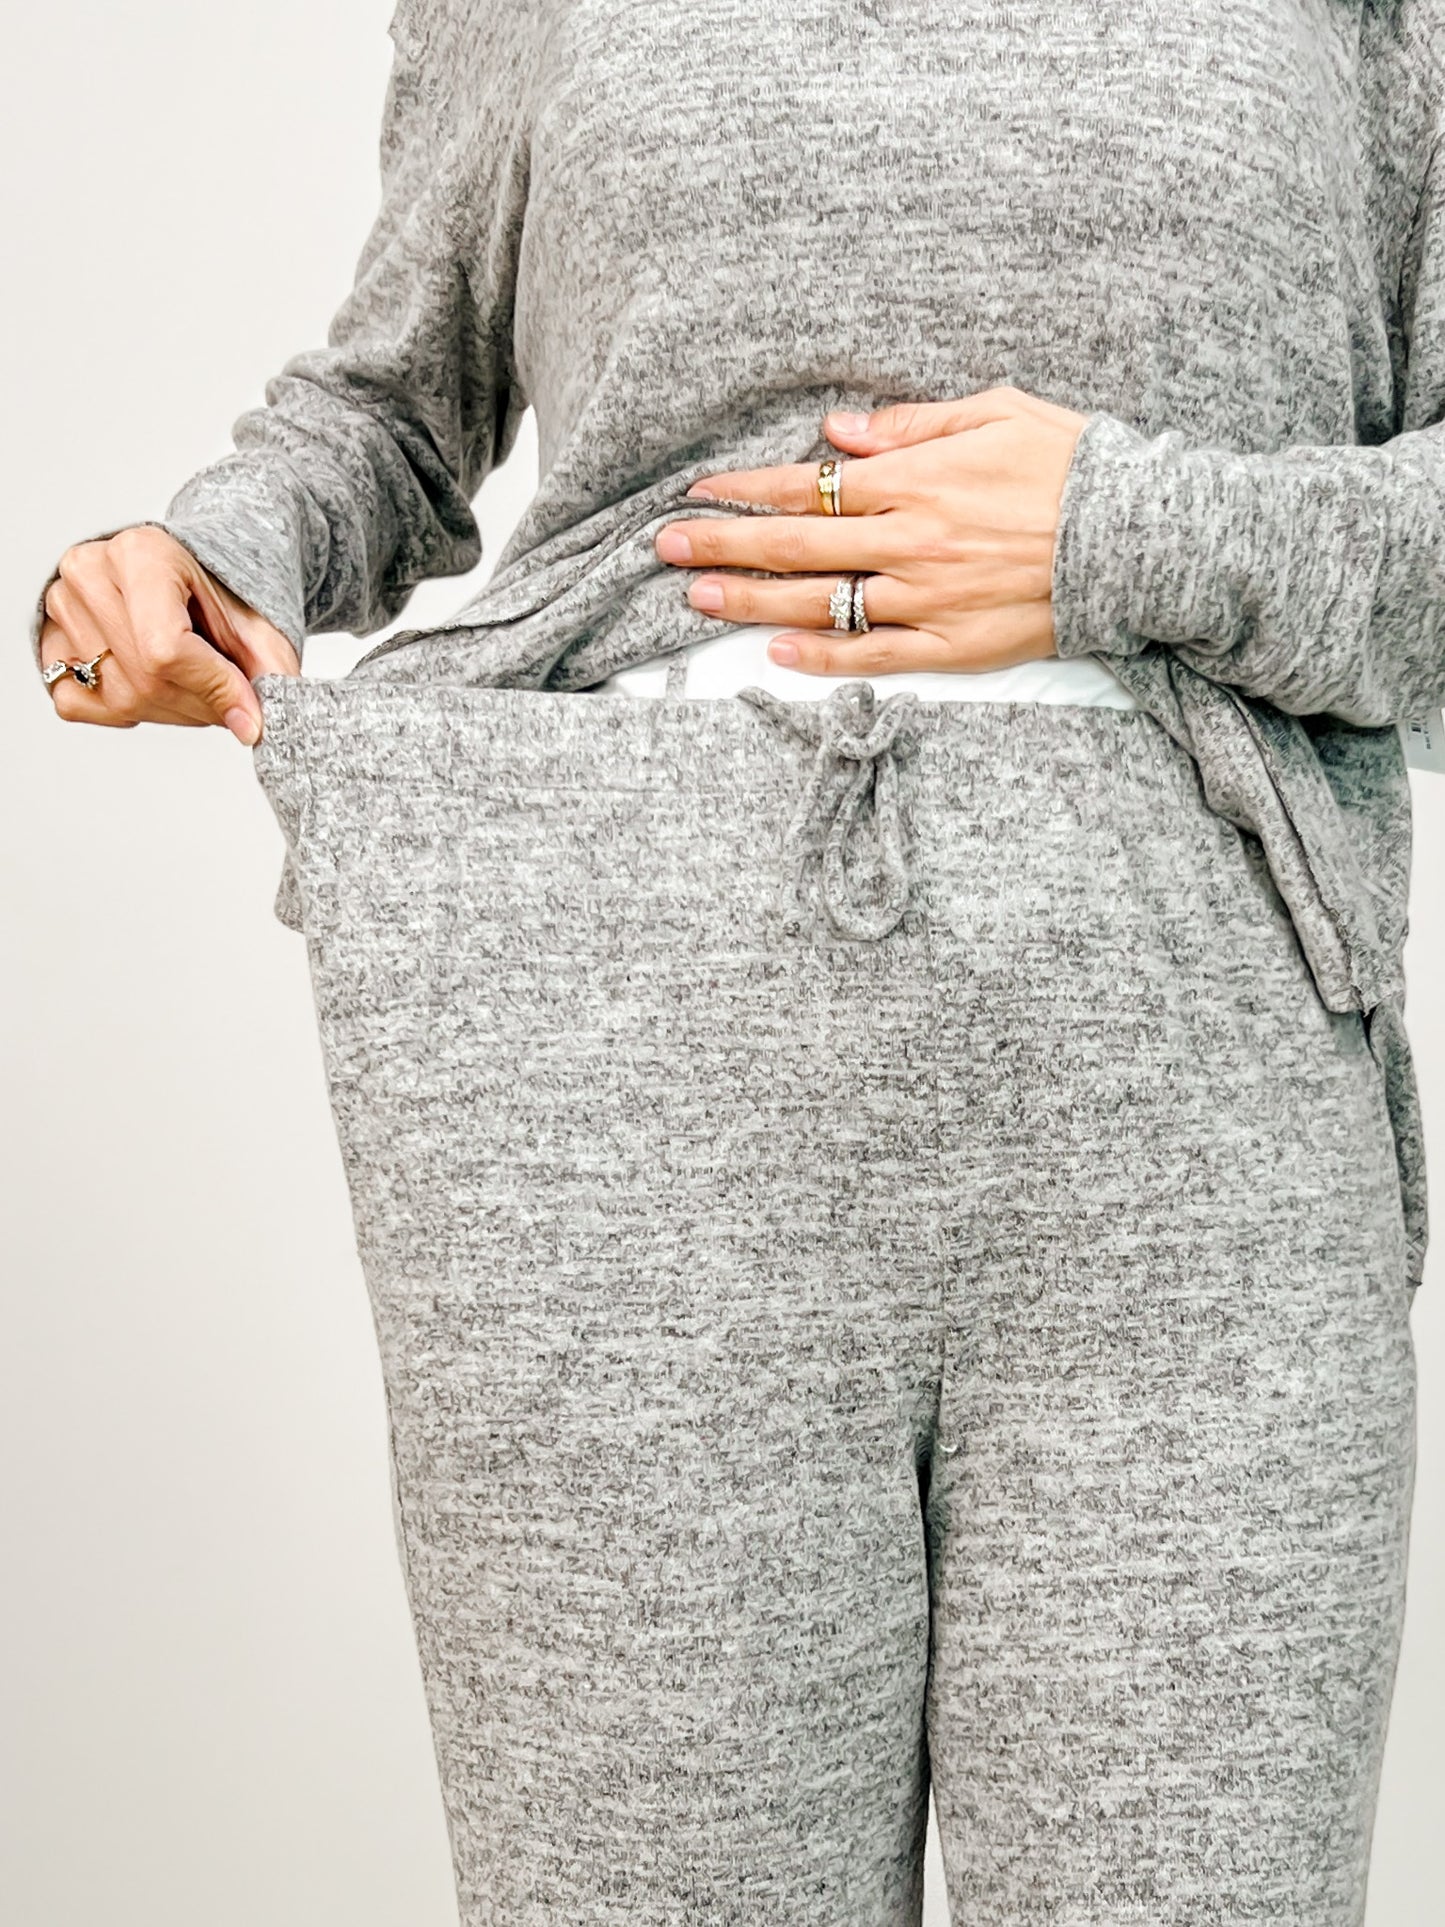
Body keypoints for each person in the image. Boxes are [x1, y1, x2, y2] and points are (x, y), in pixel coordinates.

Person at [31, 3, 1435, 1921]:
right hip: (632, 1071)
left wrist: (1124, 530)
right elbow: (388, 404)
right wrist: (219, 549)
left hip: (1201, 1108)